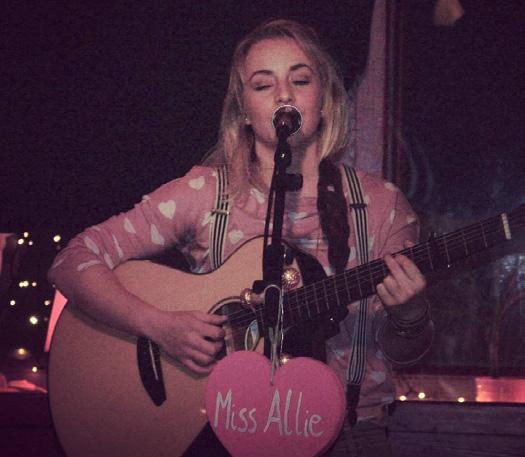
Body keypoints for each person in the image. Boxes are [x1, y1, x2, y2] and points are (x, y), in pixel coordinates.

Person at [48, 19, 433, 457]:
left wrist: (411, 313)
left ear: (324, 99)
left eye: (300, 79)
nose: (284, 95)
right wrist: (160, 326)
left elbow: (406, 353)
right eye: (263, 85)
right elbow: (71, 261)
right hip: (221, 436)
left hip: (351, 436)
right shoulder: (205, 194)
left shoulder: (381, 206)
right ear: (243, 109)